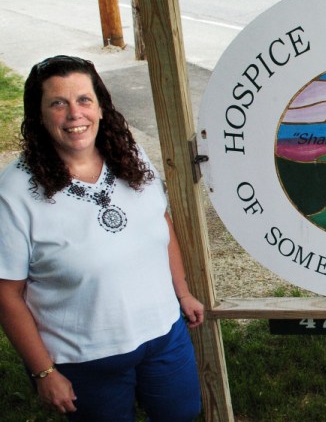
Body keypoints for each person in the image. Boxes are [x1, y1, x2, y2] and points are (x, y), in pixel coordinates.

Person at [0, 55, 205, 421]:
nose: (74, 114)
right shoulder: (14, 191)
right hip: (85, 358)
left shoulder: (130, 155)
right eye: (58, 103)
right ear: (39, 115)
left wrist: (183, 291)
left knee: (183, 414)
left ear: (100, 107)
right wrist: (44, 371)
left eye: (83, 100)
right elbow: (7, 294)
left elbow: (161, 222)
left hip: (164, 335)